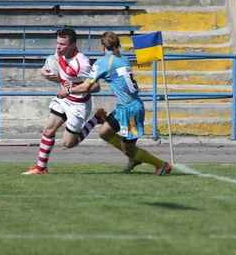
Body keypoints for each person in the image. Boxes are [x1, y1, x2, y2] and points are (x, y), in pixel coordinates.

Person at [56, 31, 172, 176]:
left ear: (103, 45)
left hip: (131, 111)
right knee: (105, 133)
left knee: (128, 148)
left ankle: (162, 165)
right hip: (124, 107)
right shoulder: (122, 58)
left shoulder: (103, 62)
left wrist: (68, 90)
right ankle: (134, 158)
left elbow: (86, 87)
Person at [22, 28, 107, 175]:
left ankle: (97, 119)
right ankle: (41, 168)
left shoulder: (82, 63)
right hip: (63, 99)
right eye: (57, 43)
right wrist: (44, 73)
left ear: (73, 45)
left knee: (69, 143)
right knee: (48, 129)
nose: (58, 47)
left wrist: (70, 89)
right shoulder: (60, 53)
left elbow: (96, 87)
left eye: (62, 44)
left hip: (79, 105)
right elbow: (47, 66)